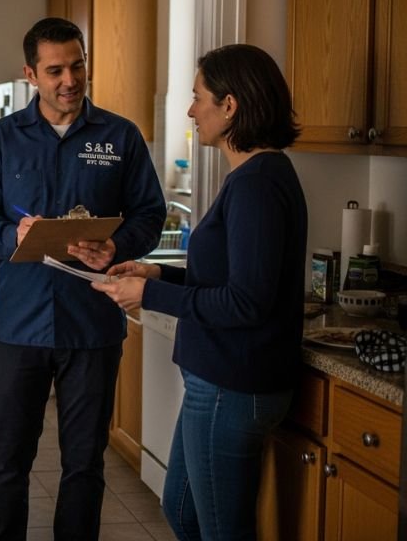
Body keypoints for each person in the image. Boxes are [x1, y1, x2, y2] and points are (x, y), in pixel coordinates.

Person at [85, 43, 308, 540]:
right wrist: (158, 276)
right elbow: (232, 280)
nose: (190, 110)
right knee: (183, 511)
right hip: (220, 380)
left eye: (198, 96)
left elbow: (246, 302)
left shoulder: (256, 184)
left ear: (230, 106)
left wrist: (147, 297)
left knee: (222, 531)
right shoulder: (253, 177)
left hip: (234, 384)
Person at [0, 17, 166, 540]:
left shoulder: (120, 136)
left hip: (93, 325)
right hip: (19, 325)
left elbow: (152, 214)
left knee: (85, 463)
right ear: (30, 74)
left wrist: (117, 246)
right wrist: (15, 233)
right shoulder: (1, 139)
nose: (70, 80)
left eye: (77, 65)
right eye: (55, 70)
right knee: (8, 462)